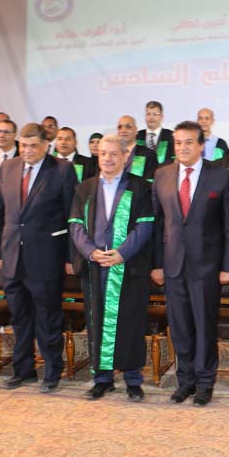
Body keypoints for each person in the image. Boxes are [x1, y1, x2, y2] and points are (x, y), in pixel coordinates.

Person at [151, 121, 229, 406]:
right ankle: (185, 381)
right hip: (173, 265)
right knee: (179, 328)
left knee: (204, 326)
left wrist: (227, 266)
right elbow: (157, 225)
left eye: (189, 142)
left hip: (207, 267)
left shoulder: (220, 176)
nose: (182, 147)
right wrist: (157, 264)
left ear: (201, 145)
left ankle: (204, 383)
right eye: (178, 142)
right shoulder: (162, 175)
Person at [0, 123, 77, 393]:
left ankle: (52, 371)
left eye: (33, 146)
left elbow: (72, 216)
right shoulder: (7, 168)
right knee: (19, 318)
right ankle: (23, 370)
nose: (27, 150)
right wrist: (0, 252)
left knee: (48, 318)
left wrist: (70, 256)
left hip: (46, 258)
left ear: (46, 145)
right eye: (23, 145)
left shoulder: (62, 170)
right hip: (12, 258)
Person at [69, 135, 154, 401]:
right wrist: (90, 251)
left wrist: (122, 253)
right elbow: (75, 225)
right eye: (103, 153)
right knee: (96, 322)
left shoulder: (140, 187)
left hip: (128, 266)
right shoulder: (84, 188)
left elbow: (145, 225)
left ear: (125, 156)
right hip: (95, 267)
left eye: (114, 153)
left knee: (131, 323)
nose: (107, 158)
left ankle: (133, 379)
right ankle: (102, 379)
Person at [118, 115, 158, 181]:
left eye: (128, 127)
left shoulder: (149, 154)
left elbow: (150, 182)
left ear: (136, 130)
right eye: (120, 127)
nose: (123, 130)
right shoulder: (113, 154)